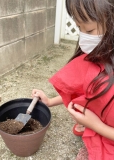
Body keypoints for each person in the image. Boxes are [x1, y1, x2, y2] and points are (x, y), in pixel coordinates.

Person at [32, 0, 114, 159]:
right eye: (79, 28)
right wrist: (49, 101)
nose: (83, 38)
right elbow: (78, 91)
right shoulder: (95, 58)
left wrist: (95, 125)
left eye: (89, 30)